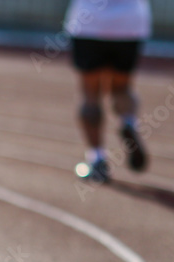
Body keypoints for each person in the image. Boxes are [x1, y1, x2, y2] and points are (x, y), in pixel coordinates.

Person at [65, 0, 152, 183]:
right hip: (129, 24)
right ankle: (128, 122)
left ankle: (97, 159)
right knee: (122, 88)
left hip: (89, 22)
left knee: (91, 96)